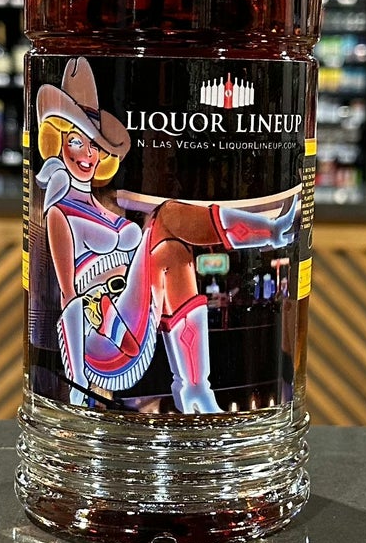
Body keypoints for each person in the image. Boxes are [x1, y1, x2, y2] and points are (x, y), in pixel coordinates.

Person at [33, 58, 299, 413]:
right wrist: (78, 381)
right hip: (103, 337)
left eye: (93, 145)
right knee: (167, 215)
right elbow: (69, 298)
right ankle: (272, 232)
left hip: (130, 314)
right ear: (57, 143)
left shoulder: (103, 204)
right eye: (76, 142)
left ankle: (195, 392)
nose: (87, 155)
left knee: (172, 252)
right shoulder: (59, 212)